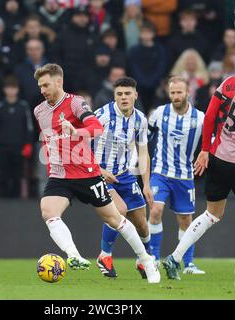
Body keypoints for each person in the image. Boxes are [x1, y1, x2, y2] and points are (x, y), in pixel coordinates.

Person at [33, 63, 160, 283]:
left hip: (87, 173)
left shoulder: (76, 103)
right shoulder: (39, 110)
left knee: (116, 219)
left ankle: (146, 260)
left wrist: (76, 131)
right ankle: (74, 256)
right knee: (48, 211)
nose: (42, 90)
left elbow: (96, 128)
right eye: (40, 86)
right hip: (61, 176)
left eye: (46, 85)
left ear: (58, 82)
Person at [163, 52, 235, 280]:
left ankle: (174, 258)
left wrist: (205, 150)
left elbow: (209, 117)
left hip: (216, 158)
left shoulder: (229, 82)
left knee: (212, 214)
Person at [93, 76, 154, 278]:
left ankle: (144, 259)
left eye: (127, 93)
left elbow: (143, 152)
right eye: (119, 94)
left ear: (135, 95)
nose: (123, 97)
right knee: (120, 210)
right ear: (114, 96)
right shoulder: (101, 116)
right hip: (99, 175)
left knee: (142, 225)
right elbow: (80, 148)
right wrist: (99, 170)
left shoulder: (140, 119)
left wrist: (146, 184)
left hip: (125, 176)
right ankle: (105, 255)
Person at [147, 76, 205, 275]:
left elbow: (210, 143)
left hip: (185, 175)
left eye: (180, 92)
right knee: (155, 211)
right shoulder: (159, 113)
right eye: (172, 92)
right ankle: (152, 259)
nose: (176, 96)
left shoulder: (200, 118)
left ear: (188, 92)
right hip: (160, 172)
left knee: (186, 221)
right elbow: (146, 135)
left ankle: (188, 263)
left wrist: (204, 156)